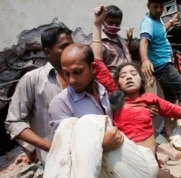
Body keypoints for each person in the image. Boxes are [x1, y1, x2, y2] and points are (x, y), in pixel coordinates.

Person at [45, 5, 160, 178]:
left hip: (118, 163)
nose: (71, 80)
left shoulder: (108, 90)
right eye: (67, 73)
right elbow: (64, 153)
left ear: (92, 69)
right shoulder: (60, 103)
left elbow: (121, 119)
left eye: (77, 72)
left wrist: (143, 111)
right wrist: (99, 145)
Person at [4, 25, 73, 165]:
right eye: (64, 47)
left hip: (86, 158)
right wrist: (43, 147)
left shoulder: (82, 76)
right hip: (54, 162)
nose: (70, 51)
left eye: (72, 46)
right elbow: (14, 122)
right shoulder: (33, 79)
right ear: (48, 52)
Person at [139, 0, 181, 138]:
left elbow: (161, 31)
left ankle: (169, 130)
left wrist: (171, 21)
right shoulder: (148, 22)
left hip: (164, 65)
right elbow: (144, 41)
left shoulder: (156, 21)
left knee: (169, 99)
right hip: (163, 66)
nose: (158, 9)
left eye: (161, 6)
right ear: (148, 6)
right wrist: (145, 59)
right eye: (155, 6)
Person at [101, 5, 133, 76]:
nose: (114, 26)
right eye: (110, 23)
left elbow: (122, 55)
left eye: (117, 24)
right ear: (103, 22)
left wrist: (129, 41)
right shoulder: (100, 44)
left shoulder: (118, 37)